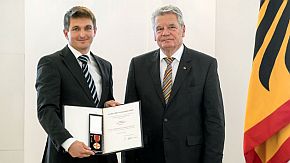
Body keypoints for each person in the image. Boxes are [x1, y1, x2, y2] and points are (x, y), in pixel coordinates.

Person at [122, 5, 225, 163]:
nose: (165, 33)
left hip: (190, 156)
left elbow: (214, 121)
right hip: (148, 156)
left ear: (183, 30)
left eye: (171, 27)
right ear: (154, 35)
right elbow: (131, 119)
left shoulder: (205, 65)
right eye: (159, 28)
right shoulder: (138, 65)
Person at [35, 6, 119, 163]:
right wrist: (68, 143)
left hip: (102, 155)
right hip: (66, 155)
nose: (82, 34)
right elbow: (46, 111)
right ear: (66, 33)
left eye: (88, 28)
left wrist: (109, 107)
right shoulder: (50, 63)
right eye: (76, 29)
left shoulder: (105, 65)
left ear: (95, 31)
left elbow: (103, 102)